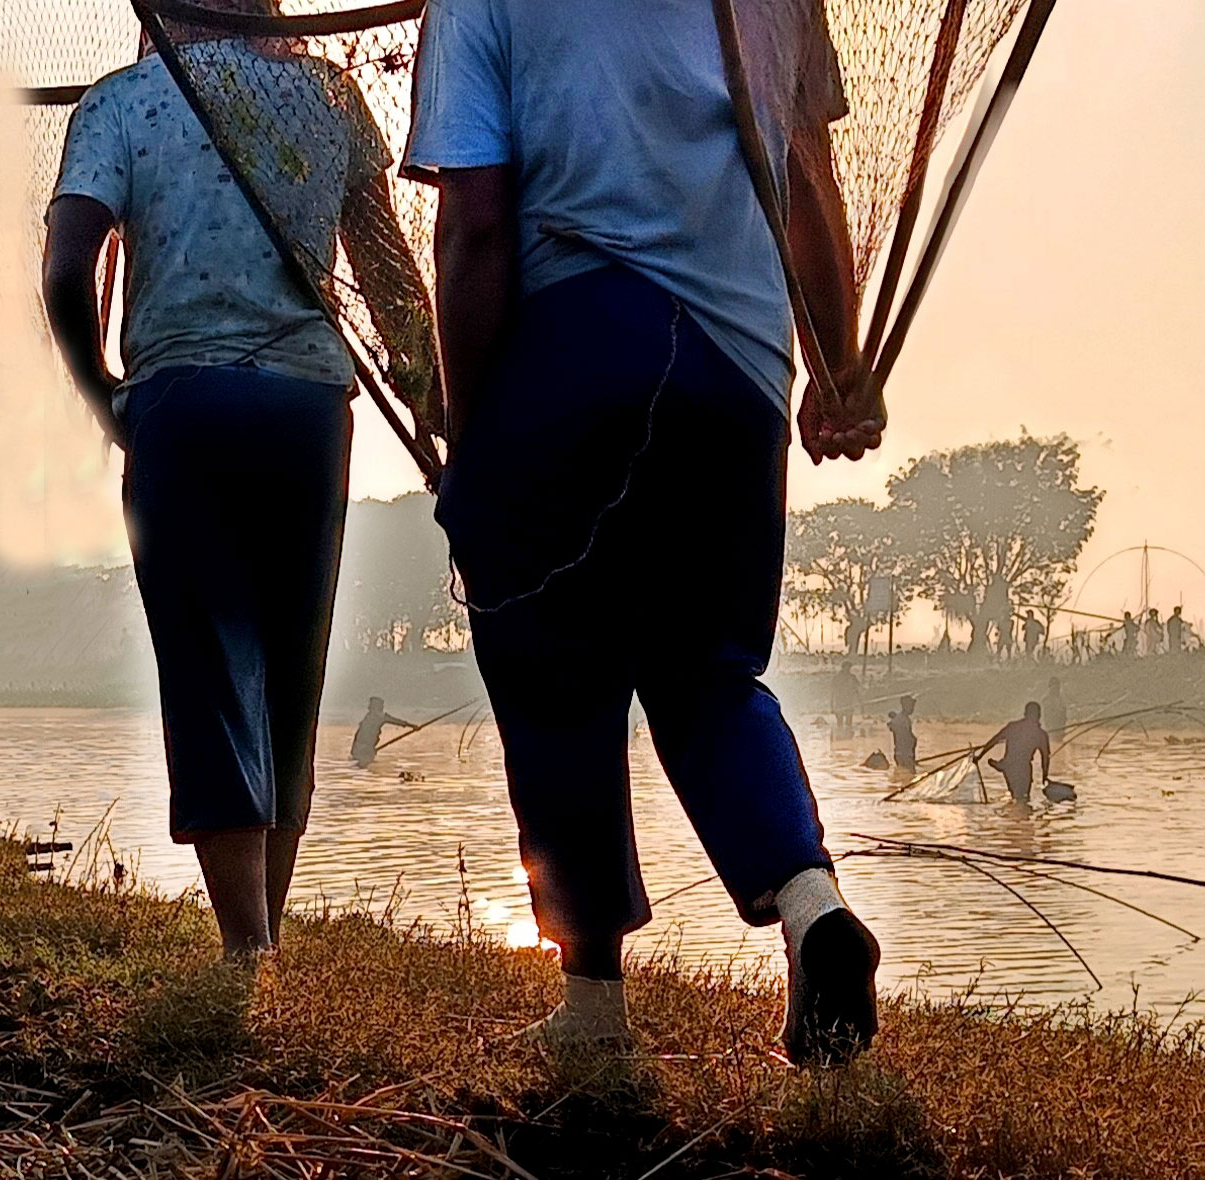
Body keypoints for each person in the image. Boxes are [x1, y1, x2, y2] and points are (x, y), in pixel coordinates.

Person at [404, 0, 882, 1063]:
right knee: (710, 675)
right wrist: (837, 369)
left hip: (578, 338)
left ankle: (591, 1009)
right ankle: (813, 909)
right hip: (740, 371)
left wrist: (475, 444)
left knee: (549, 669)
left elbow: (475, 227)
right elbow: (809, 190)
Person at [43, 0, 431, 957]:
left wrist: (106, 397)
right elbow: (389, 278)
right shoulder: (330, 96)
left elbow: (63, 274)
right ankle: (268, 930)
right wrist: (431, 397)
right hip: (306, 415)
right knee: (294, 667)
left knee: (207, 662)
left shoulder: (120, 103)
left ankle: (246, 946)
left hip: (182, 407)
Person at [975, 702, 1051, 805]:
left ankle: (1001, 765)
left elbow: (995, 740)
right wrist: (1044, 776)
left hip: (1011, 767)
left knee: (1017, 796)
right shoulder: (1040, 734)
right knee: (1022, 798)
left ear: (1025, 713)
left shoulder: (1013, 727)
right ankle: (1018, 816)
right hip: (1021, 769)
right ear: (1039, 715)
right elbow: (1045, 758)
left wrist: (980, 756)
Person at [351, 696, 413, 768]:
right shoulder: (377, 716)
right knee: (363, 765)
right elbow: (396, 721)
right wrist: (412, 726)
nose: (368, 707)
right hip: (363, 747)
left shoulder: (371, 716)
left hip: (363, 747)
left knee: (360, 765)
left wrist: (411, 726)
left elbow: (397, 721)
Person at [886, 695, 918, 772]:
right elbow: (906, 738)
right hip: (905, 755)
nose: (912, 708)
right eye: (911, 706)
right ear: (905, 706)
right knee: (909, 775)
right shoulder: (903, 720)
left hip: (902, 754)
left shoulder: (901, 719)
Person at [830, 660, 861, 733]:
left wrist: (860, 702)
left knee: (849, 724)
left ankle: (848, 738)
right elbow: (832, 692)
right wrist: (831, 706)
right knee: (839, 723)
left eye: (849, 668)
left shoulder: (852, 678)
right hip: (839, 703)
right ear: (843, 668)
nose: (848, 670)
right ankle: (839, 740)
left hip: (849, 703)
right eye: (846, 668)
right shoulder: (836, 678)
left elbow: (857, 690)